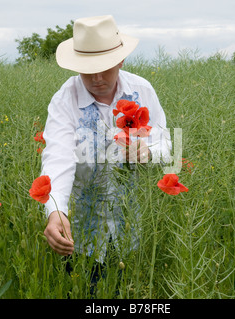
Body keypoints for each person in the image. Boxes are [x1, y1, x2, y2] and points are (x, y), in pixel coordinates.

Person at [40, 15, 171, 283]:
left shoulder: (142, 90)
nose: (97, 78)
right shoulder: (65, 100)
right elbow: (58, 158)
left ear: (121, 60)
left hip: (132, 223)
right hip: (81, 230)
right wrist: (56, 211)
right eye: (88, 69)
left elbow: (166, 143)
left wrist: (148, 152)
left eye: (105, 67)